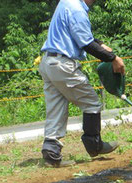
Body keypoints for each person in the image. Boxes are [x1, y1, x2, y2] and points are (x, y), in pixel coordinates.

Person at [39, 0, 125, 167]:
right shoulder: (77, 9)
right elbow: (86, 44)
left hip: (49, 62)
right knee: (92, 103)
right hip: (63, 65)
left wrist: (100, 44)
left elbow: (79, 34)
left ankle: (51, 153)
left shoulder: (66, 2)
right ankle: (95, 145)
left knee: (56, 106)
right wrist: (113, 58)